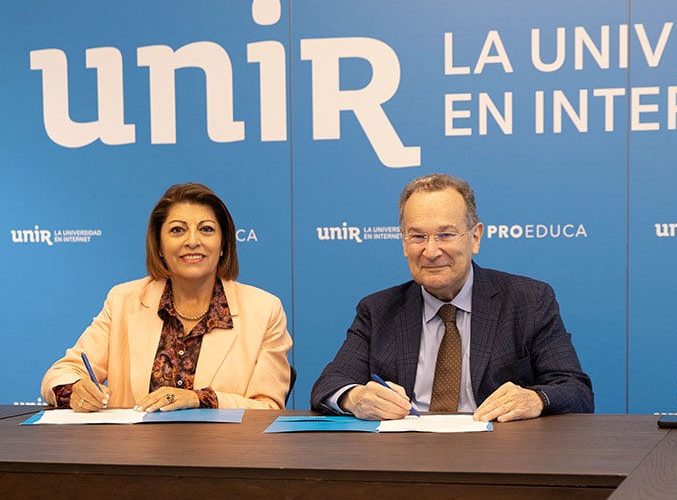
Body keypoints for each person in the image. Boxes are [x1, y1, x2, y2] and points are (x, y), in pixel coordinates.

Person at [311, 173, 593, 422]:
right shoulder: (378, 310)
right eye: (418, 237)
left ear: (476, 237)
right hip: (402, 459)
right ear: (404, 242)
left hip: (500, 458)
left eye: (445, 235)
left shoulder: (528, 301)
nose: (431, 251)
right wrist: (356, 398)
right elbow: (329, 385)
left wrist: (534, 399)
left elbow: (575, 390)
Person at [41, 182, 293, 412]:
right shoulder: (124, 300)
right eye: (177, 230)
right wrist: (76, 391)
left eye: (206, 229)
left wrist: (199, 398)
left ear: (224, 243)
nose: (192, 241)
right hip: (134, 456)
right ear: (159, 246)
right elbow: (62, 372)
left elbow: (268, 408)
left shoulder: (264, 309)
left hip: (225, 455)